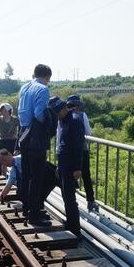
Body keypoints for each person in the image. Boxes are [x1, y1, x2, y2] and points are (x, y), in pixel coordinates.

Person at [17, 64, 56, 226]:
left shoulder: (25, 87)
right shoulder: (43, 89)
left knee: (26, 174)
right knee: (38, 176)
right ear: (47, 77)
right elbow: (39, 115)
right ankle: (34, 214)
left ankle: (26, 207)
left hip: (23, 135)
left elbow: (21, 111)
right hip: (36, 138)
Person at [54, 96, 85, 241]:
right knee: (66, 196)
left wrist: (78, 168)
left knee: (70, 198)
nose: (56, 116)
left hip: (71, 164)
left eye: (57, 112)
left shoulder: (75, 120)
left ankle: (76, 230)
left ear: (62, 109)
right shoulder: (63, 119)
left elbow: (79, 146)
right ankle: (70, 224)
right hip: (63, 162)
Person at [66, 95, 98, 211]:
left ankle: (71, 201)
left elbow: (59, 134)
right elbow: (88, 132)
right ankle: (90, 201)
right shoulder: (82, 115)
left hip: (67, 151)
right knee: (86, 175)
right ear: (78, 105)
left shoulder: (63, 115)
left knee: (69, 176)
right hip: (81, 150)